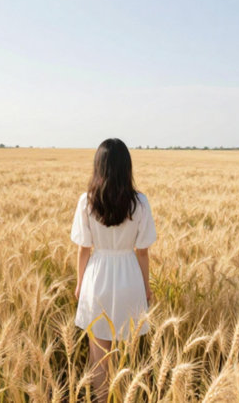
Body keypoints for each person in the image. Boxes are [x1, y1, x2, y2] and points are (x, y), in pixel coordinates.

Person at [70, 138, 157, 402]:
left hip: (97, 276)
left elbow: (84, 248)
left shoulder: (87, 201)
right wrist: (146, 287)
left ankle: (101, 398)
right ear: (126, 167)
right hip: (129, 275)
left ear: (99, 167)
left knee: (98, 354)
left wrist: (79, 283)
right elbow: (143, 252)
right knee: (125, 350)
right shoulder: (140, 202)